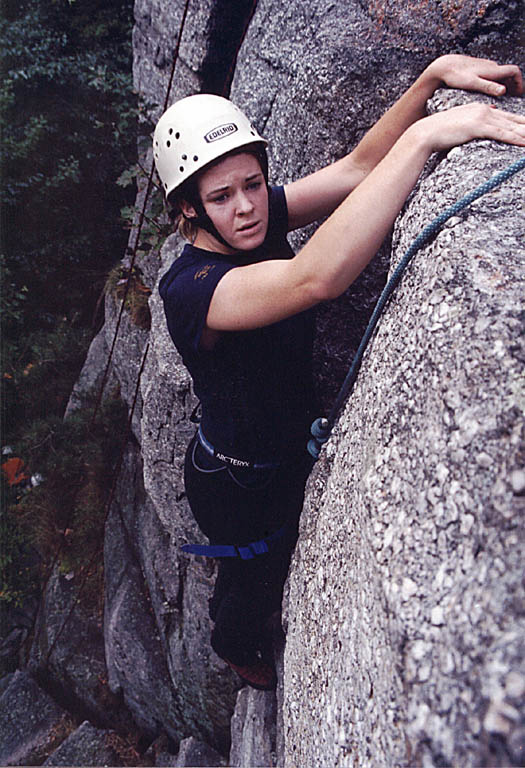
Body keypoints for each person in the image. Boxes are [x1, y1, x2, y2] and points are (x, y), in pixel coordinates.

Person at [155, 54, 525, 690]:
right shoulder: (190, 289)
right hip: (237, 482)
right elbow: (314, 278)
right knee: (255, 572)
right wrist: (429, 134)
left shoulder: (256, 218)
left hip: (281, 444)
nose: (247, 208)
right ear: (188, 211)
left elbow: (357, 169)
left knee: (273, 556)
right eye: (220, 197)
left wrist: (431, 80)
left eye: (252, 183)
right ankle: (235, 646)